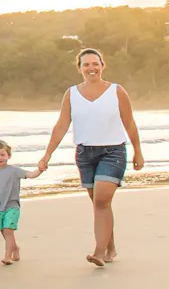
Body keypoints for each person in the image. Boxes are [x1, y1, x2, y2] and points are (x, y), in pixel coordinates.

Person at [36, 47, 145, 267]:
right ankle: (110, 248)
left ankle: (98, 251)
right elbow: (61, 125)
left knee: (102, 201)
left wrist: (137, 150)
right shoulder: (72, 94)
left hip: (112, 152)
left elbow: (129, 122)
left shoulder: (116, 91)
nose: (91, 68)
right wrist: (47, 154)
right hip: (85, 154)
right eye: (86, 64)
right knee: (99, 205)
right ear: (80, 68)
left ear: (102, 66)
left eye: (95, 63)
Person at [0, 139, 43, 265]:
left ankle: (7, 256)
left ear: (8, 155)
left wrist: (40, 169)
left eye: (2, 154)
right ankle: (15, 248)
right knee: (4, 231)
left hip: (12, 207)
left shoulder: (14, 170)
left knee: (8, 231)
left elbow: (30, 175)